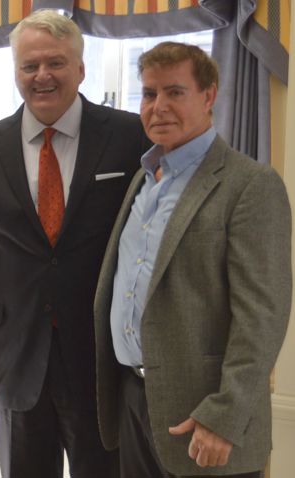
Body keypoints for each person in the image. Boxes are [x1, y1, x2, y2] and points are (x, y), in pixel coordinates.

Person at [0, 9, 150, 478]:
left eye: (56, 63)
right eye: (29, 66)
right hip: (13, 360)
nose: (42, 75)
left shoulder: (130, 136)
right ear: (16, 72)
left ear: (80, 69)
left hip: (101, 358)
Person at [94, 42, 292, 478]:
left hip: (205, 418)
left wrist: (224, 414)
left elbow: (262, 316)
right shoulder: (142, 181)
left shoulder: (251, 185)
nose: (158, 106)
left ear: (209, 96)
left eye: (175, 92)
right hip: (134, 400)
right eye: (149, 94)